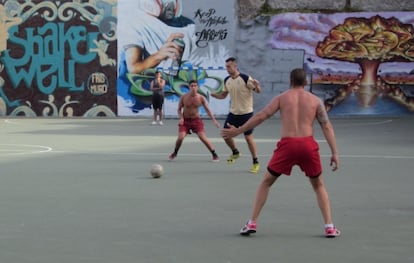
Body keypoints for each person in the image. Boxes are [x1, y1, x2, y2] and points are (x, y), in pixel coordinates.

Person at [221, 68, 341, 238]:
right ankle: (329, 226)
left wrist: (239, 130)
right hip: (308, 145)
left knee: (266, 182)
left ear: (290, 81)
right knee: (318, 185)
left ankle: (252, 223)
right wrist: (334, 152)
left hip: (288, 145)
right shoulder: (315, 101)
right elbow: (327, 126)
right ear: (305, 82)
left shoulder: (282, 98)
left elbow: (261, 116)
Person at [211, 57, 262, 173]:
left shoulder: (245, 78)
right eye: (226, 67)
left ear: (235, 66)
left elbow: (258, 91)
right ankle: (235, 152)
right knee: (225, 135)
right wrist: (216, 96)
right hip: (233, 113)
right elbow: (223, 95)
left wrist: (257, 85)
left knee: (248, 138)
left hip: (247, 114)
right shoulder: (227, 80)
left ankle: (255, 162)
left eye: (229, 66)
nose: (227, 69)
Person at [169, 80, 220, 162]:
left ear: (197, 87)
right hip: (185, 121)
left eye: (195, 86)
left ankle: (214, 154)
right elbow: (179, 109)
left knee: (203, 138)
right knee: (180, 137)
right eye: (192, 85)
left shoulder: (201, 98)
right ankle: (175, 152)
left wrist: (214, 120)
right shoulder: (184, 97)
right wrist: (181, 118)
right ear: (189, 87)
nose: (193, 87)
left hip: (196, 121)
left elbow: (207, 110)